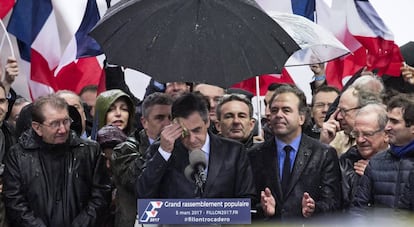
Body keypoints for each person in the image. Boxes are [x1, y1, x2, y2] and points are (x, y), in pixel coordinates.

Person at [2, 94, 111, 226]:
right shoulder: (18, 156)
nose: (63, 129)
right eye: (55, 124)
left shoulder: (89, 151)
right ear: (37, 127)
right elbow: (15, 202)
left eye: (66, 121)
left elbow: (100, 196)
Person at [248, 85, 341, 221]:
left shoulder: (324, 154)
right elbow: (246, 205)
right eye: (274, 110)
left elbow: (333, 204)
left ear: (301, 118)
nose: (278, 115)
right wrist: (263, 210)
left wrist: (314, 209)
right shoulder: (254, 154)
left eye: (286, 110)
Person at [137, 92, 255, 199]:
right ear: (173, 125)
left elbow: (246, 198)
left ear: (207, 121)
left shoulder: (234, 151)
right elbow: (143, 194)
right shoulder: (161, 150)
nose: (192, 139)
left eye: (197, 130)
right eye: (184, 133)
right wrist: (164, 152)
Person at [109, 92, 173, 227]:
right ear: (145, 122)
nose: (167, 124)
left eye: (171, 118)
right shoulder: (124, 150)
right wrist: (161, 148)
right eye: (160, 118)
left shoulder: (182, 148)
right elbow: (135, 181)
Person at [351, 93, 414, 214]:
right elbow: (358, 210)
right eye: (388, 120)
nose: (387, 127)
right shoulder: (376, 163)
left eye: (394, 122)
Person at [340, 103, 389, 210]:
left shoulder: (404, 163)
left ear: (386, 134)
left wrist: (374, 177)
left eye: (367, 134)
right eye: (356, 134)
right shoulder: (346, 162)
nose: (360, 140)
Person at [320, 78, 382, 155]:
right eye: (338, 110)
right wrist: (324, 143)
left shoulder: (386, 137)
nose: (339, 117)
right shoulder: (336, 139)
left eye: (344, 111)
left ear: (363, 109)